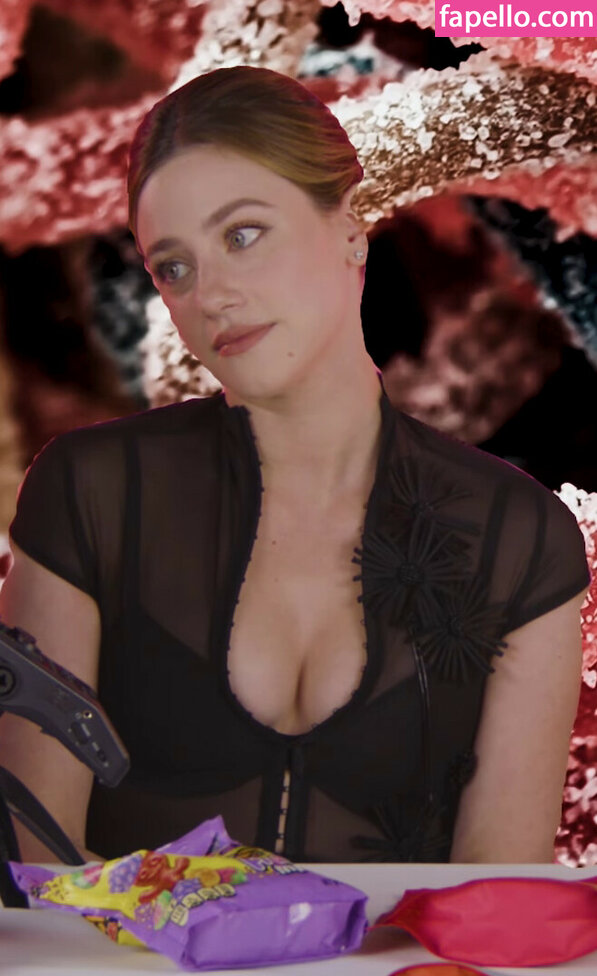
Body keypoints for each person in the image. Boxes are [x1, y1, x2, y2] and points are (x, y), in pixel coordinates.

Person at [0, 67, 591, 867]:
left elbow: (494, 904)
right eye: (172, 267)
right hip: (111, 955)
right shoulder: (90, 492)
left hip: (401, 963)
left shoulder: (519, 537)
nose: (210, 295)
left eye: (243, 235)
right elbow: (34, 883)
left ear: (350, 227)